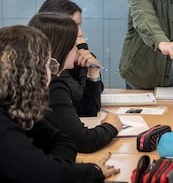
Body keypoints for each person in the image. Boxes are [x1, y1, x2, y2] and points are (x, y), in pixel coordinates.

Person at [0, 25, 119, 183]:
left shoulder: (11, 105)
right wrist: (92, 171)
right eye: (47, 66)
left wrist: (56, 169)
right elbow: (46, 175)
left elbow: (62, 142)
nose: (50, 73)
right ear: (30, 74)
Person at [28, 13, 122, 153]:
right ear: (61, 48)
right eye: (74, 44)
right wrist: (111, 126)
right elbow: (84, 141)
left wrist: (93, 73)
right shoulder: (51, 86)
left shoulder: (48, 79)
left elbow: (87, 110)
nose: (78, 49)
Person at [39, 0, 102, 116]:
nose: (81, 32)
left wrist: (90, 69)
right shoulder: (50, 64)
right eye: (74, 25)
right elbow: (80, 98)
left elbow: (96, 91)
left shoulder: (72, 53)